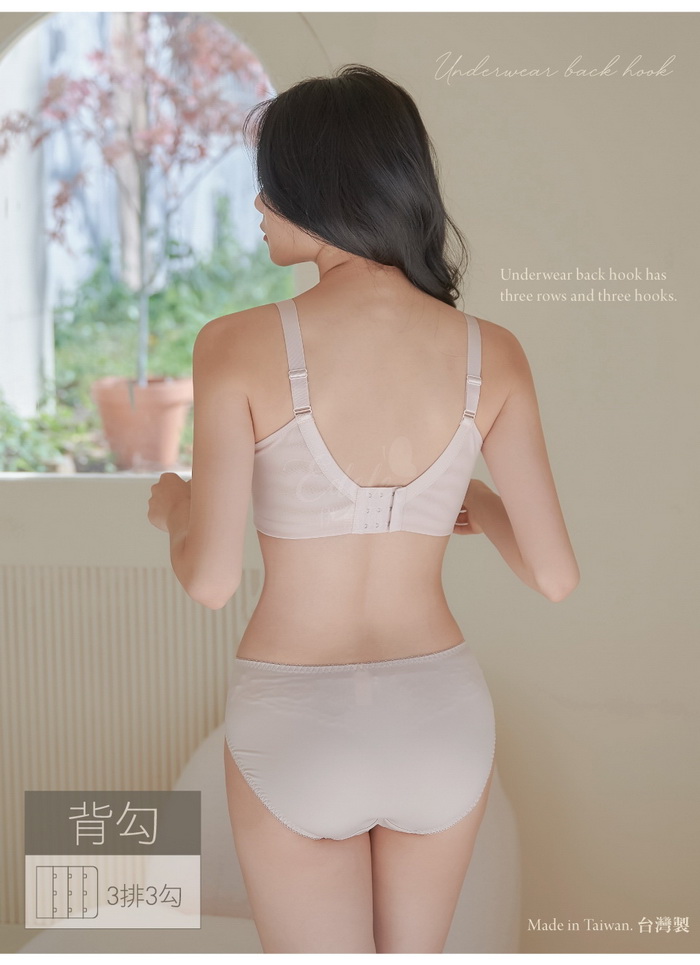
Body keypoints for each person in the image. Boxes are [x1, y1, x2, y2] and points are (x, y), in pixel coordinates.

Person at [147, 63, 579, 954]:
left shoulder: (235, 344)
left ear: (322, 187)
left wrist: (175, 508)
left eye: (272, 182)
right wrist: (475, 497)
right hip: (442, 712)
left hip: (294, 714)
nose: (259, 203)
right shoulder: (490, 353)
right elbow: (555, 575)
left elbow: (211, 579)